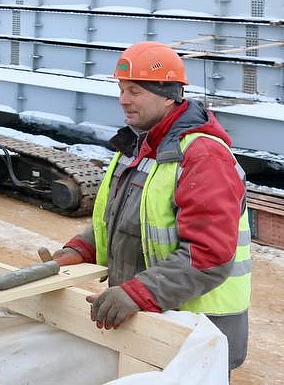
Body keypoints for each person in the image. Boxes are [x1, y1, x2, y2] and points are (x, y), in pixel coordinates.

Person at [45, 41, 251, 370]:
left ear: (169, 94)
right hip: (156, 320)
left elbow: (208, 254)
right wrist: (83, 248)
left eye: (136, 91)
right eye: (122, 89)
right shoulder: (140, 146)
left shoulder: (202, 155)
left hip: (200, 329)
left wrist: (139, 293)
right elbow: (129, 221)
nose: (123, 100)